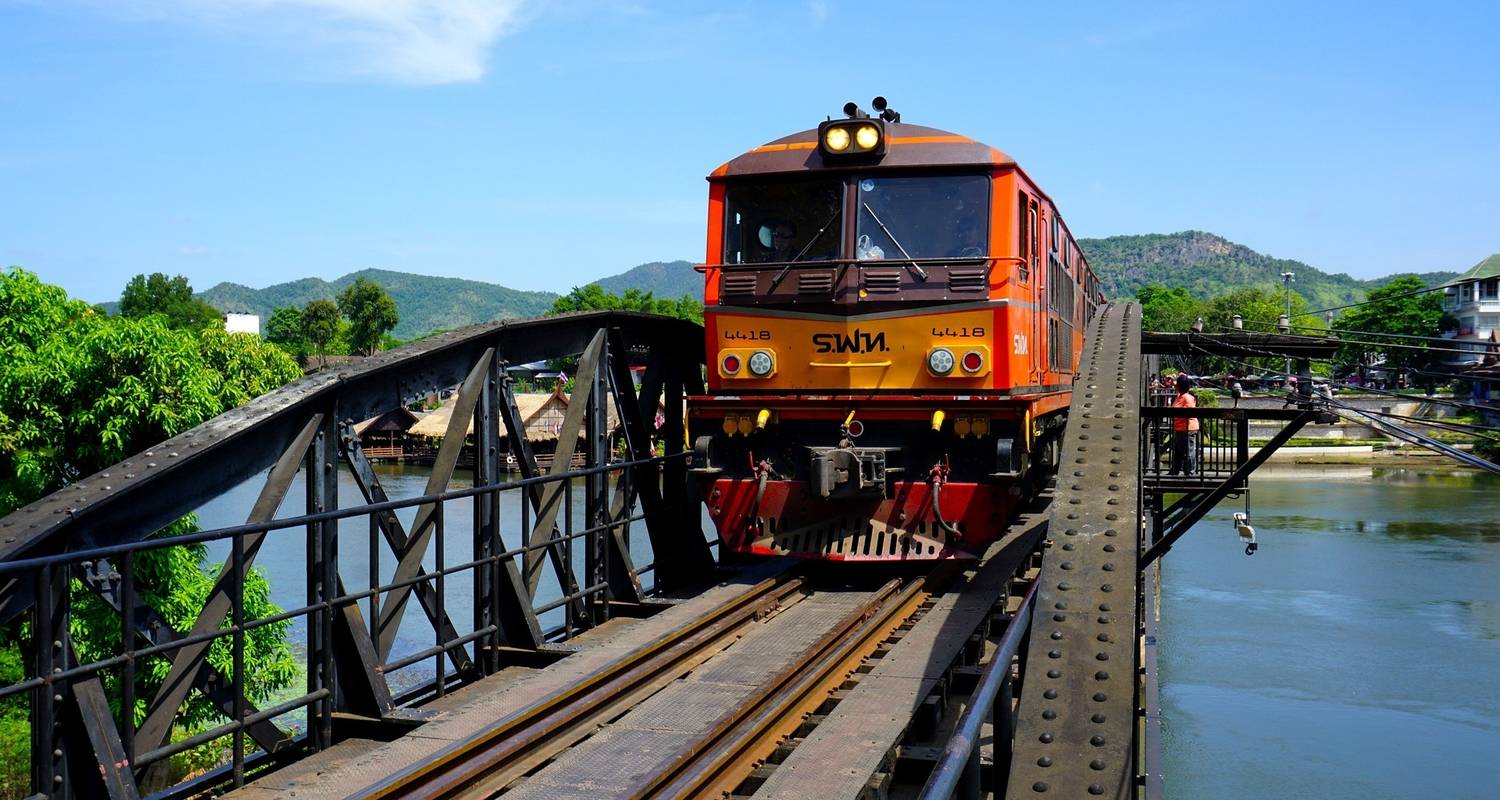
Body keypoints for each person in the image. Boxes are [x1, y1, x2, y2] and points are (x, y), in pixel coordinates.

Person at [1169, 374, 1199, 475]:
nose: (1175, 386)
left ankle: (1190, 472)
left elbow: (1189, 412)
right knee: (1178, 451)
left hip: (1187, 428)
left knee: (1188, 452)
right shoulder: (1179, 396)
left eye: (1177, 385)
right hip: (1180, 427)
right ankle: (1175, 470)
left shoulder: (1187, 398)